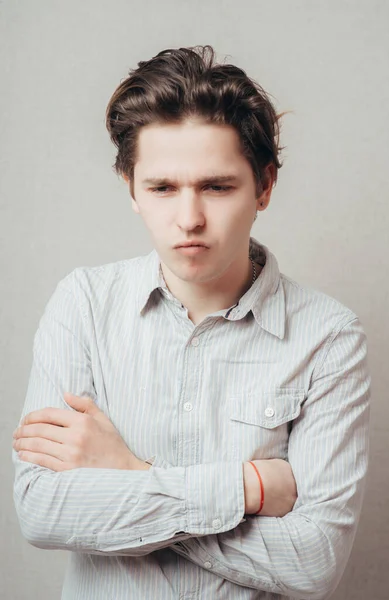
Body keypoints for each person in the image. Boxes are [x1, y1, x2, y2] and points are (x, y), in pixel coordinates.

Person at [12, 45, 370, 600]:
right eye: (162, 188)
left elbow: (313, 562)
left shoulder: (329, 337)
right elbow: (42, 512)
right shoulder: (82, 303)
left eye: (217, 186)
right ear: (131, 188)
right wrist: (244, 489)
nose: (189, 219)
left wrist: (131, 475)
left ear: (265, 186)